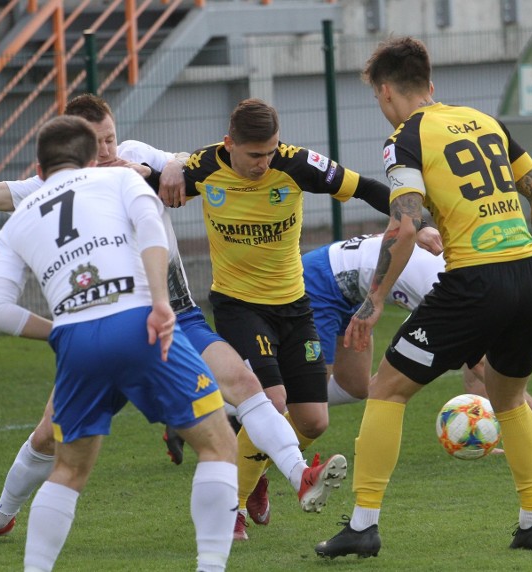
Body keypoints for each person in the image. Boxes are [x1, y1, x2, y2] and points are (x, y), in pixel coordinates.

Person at [0, 94, 342, 546]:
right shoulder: (58, 187)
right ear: (77, 145)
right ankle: (0, 516)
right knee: (49, 436)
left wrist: (173, 165)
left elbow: (194, 159)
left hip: (174, 314)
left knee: (247, 389)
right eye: (98, 141)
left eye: (111, 137)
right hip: (105, 328)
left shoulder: (135, 158)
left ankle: (299, 474)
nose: (109, 149)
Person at [314, 36, 532, 559]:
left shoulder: (405, 138)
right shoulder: (483, 121)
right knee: (510, 397)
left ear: (385, 93)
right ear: (430, 84)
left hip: (475, 281)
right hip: (524, 275)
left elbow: (406, 224)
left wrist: (375, 298)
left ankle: (363, 526)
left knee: (385, 388)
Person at [0, 115, 237, 571]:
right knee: (218, 446)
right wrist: (161, 302)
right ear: (88, 158)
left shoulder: (20, 217)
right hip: (140, 321)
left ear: (39, 171)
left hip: (77, 341)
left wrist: (59, 330)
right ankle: (211, 567)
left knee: (68, 471)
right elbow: (151, 230)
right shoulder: (119, 177)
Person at [176, 98, 410, 539]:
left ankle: (257, 462)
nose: (263, 163)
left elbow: (366, 188)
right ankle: (232, 510)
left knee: (313, 421)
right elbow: (143, 188)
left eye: (270, 152)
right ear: (230, 144)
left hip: (295, 304)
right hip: (238, 306)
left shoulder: (297, 164)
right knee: (274, 399)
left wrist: (417, 221)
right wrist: (167, 169)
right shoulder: (203, 167)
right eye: (253, 155)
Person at [302, 233, 532, 452]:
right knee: (311, 402)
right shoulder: (455, 286)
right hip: (321, 281)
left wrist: (481, 437)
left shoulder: (474, 271)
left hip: (353, 293)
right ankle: (273, 425)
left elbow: (474, 360)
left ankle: (278, 409)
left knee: (355, 387)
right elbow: (479, 364)